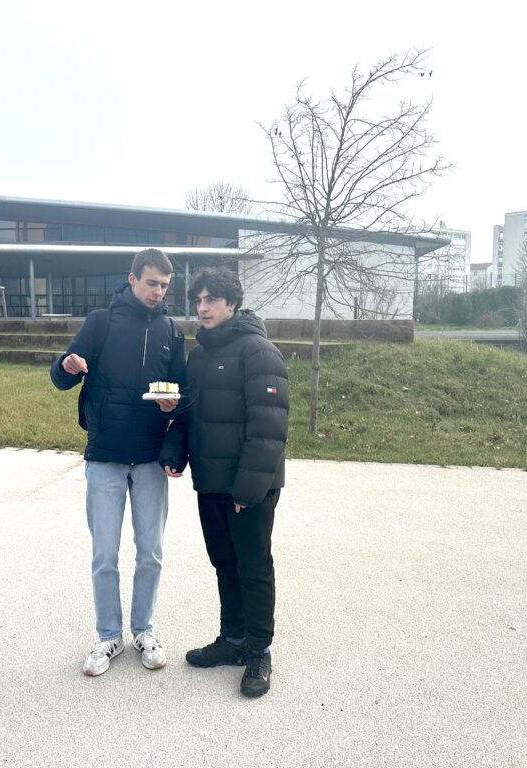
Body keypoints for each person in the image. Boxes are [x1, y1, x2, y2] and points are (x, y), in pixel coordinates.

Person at [51, 248, 186, 676]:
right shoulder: (100, 322)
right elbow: (61, 376)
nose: (158, 292)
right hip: (105, 457)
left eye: (164, 285)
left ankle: (144, 630)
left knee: (151, 553)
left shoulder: (172, 331)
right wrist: (68, 365)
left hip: (149, 459)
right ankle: (108, 636)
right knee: (104, 555)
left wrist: (171, 408)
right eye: (151, 283)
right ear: (132, 279)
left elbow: (182, 397)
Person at [159, 267, 289, 698]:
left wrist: (248, 490)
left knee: (253, 567)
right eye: (198, 300)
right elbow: (189, 412)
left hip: (248, 488)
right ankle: (232, 640)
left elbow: (268, 430)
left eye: (211, 300)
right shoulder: (199, 355)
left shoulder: (259, 351)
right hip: (211, 483)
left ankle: (259, 651)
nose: (202, 308)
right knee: (224, 563)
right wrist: (174, 452)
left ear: (232, 303)